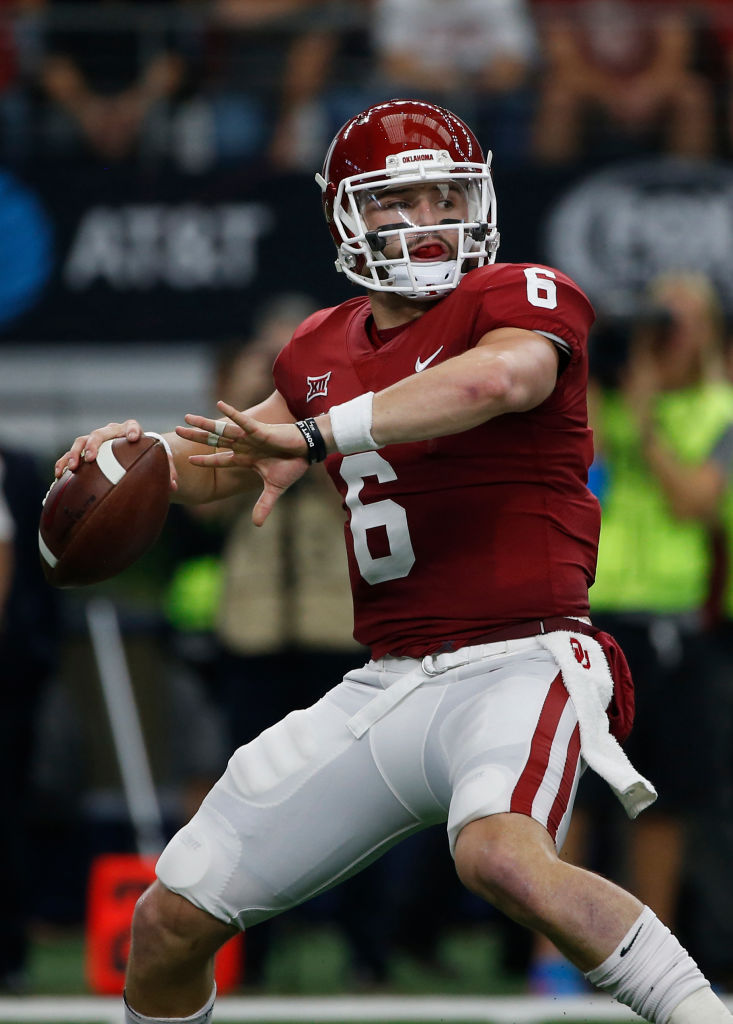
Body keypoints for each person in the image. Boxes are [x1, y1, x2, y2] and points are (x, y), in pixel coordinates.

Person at [54, 99, 733, 1024]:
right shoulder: (319, 348)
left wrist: (314, 431)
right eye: (394, 203)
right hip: (384, 682)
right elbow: (235, 455)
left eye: (441, 197)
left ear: (477, 202)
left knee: (499, 856)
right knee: (167, 926)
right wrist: (131, 466)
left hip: (521, 658)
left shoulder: (519, 295)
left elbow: (497, 380)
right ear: (348, 218)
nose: (424, 222)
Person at [531, 0, 715, 164]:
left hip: (650, 86)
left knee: (692, 95)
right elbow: (565, 61)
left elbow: (674, 53)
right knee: (559, 97)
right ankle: (552, 191)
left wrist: (645, 90)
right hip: (588, 88)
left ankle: (688, 189)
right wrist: (611, 93)